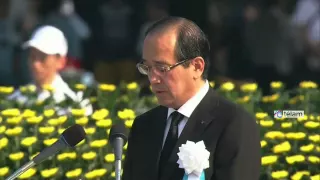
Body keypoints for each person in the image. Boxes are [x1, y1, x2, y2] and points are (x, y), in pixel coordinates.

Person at [122, 17, 261, 180]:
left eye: (162, 68)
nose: (153, 79)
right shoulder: (144, 125)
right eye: (147, 68)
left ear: (197, 67)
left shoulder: (233, 124)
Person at [8, 25, 92, 115]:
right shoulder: (15, 100)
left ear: (61, 62)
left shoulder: (75, 106)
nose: (35, 64)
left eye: (43, 58)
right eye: (33, 56)